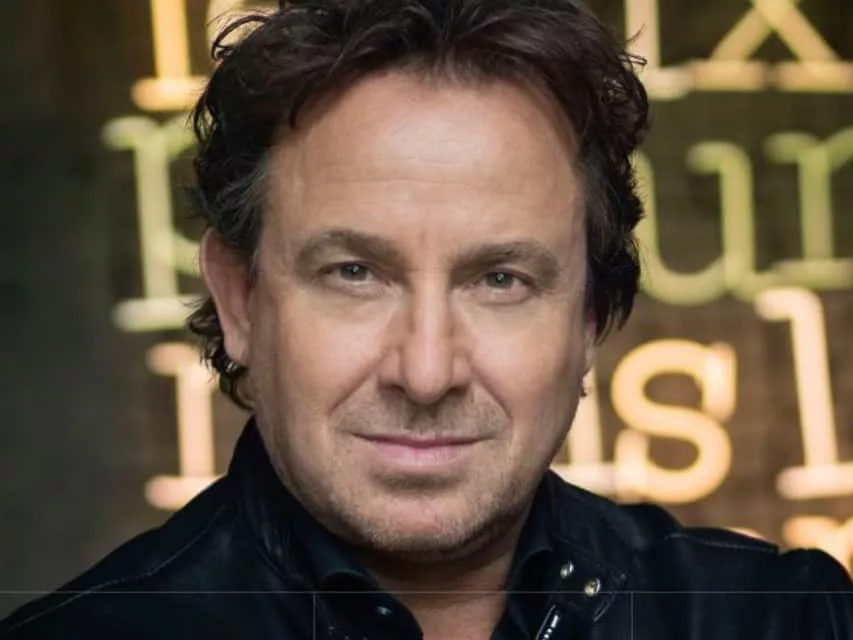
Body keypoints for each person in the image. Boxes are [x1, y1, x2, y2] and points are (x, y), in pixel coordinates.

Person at [3, 1, 852, 638]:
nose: (426, 370)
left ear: (589, 320)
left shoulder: (784, 619)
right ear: (239, 301)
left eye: (500, 280)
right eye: (354, 273)